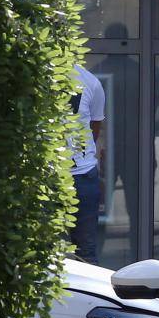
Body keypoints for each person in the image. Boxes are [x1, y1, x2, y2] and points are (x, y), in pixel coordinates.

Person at [69, 64, 106, 263]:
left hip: (82, 174)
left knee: (86, 250)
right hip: (48, 176)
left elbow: (94, 128)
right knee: (40, 248)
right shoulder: (36, 76)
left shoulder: (90, 82)